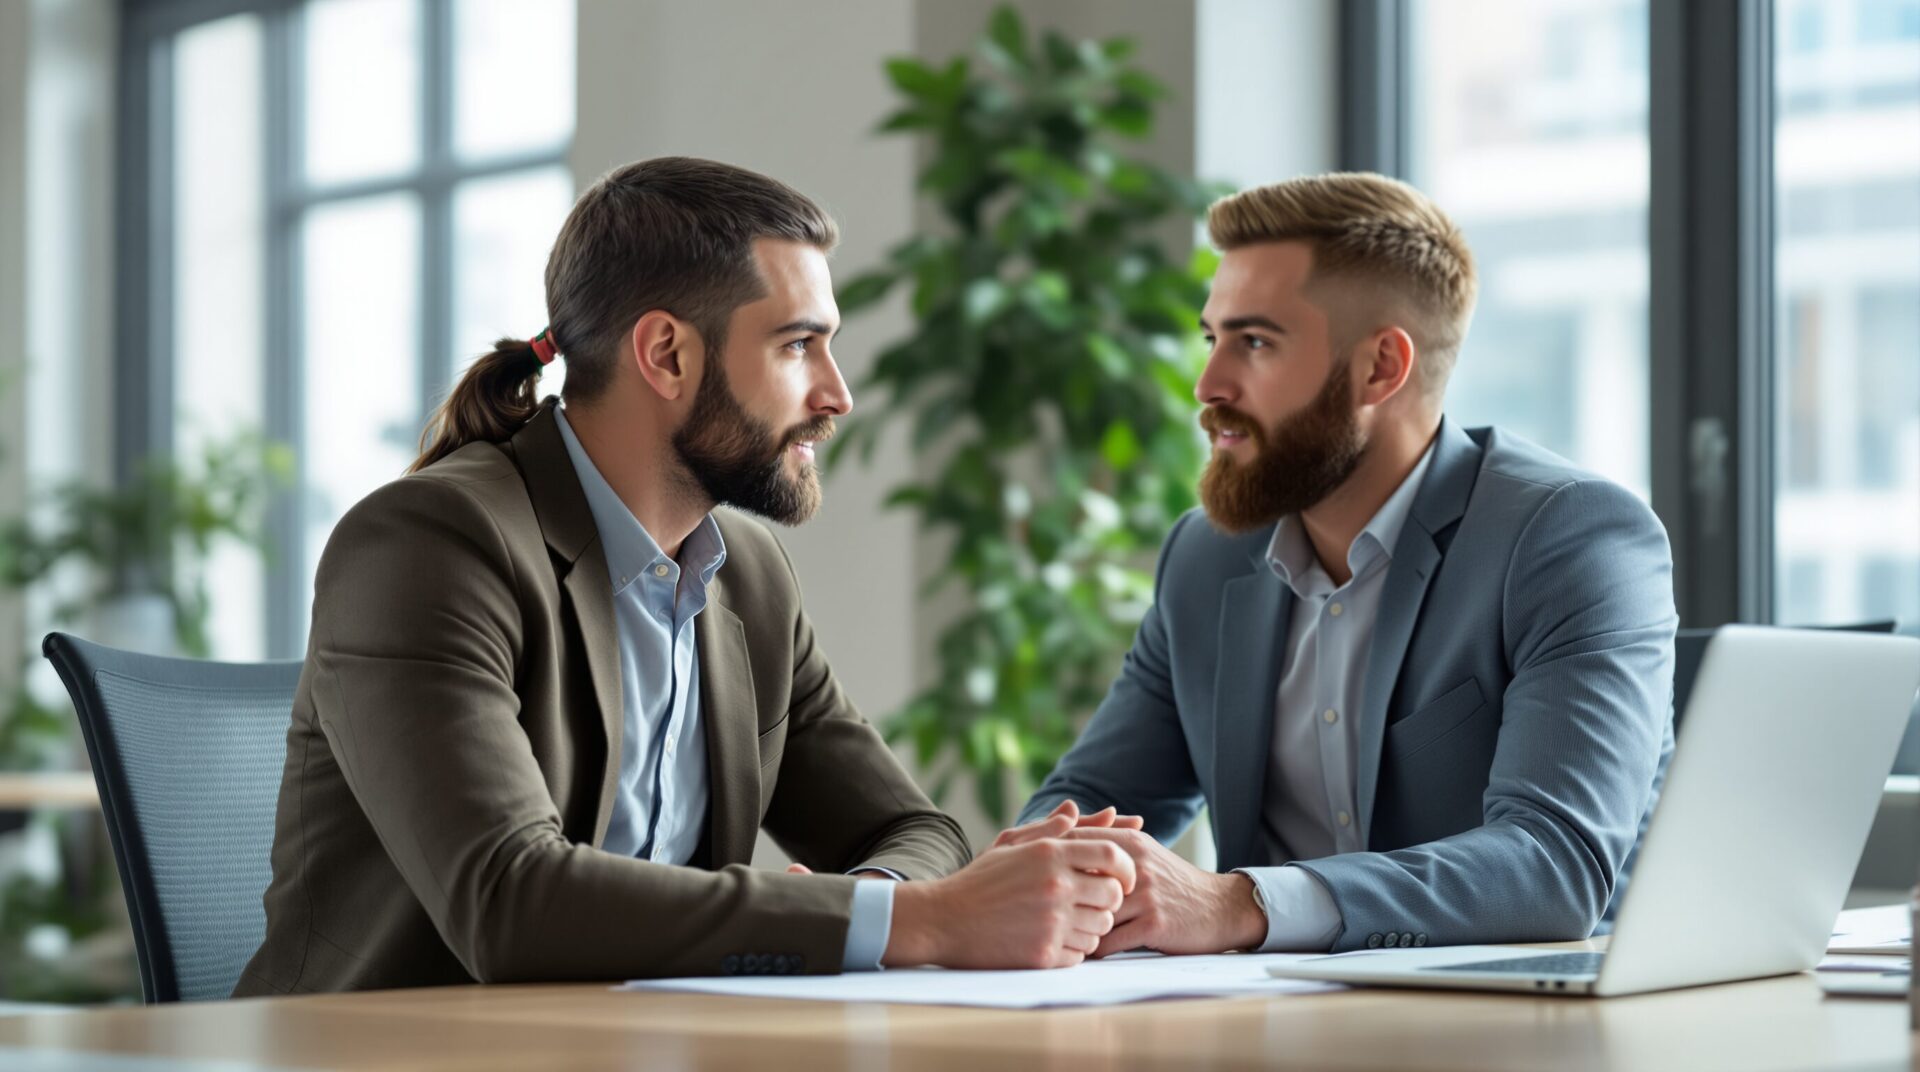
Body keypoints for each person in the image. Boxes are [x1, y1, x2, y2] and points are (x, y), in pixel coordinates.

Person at [237, 157, 1134, 995]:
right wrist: (920, 921)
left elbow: (915, 832)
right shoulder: (431, 544)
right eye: (797, 346)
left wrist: (886, 901)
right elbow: (508, 902)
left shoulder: (745, 577)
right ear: (666, 354)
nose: (837, 394)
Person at [1009, 172, 1677, 957]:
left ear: (1380, 369)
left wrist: (1238, 903)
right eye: (1212, 338)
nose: (1209, 385)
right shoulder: (1206, 558)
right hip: (1265, 1024)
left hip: (1530, 1027)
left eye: (1254, 343)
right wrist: (1032, 880)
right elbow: (1094, 803)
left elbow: (1552, 868)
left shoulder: (1569, 538)